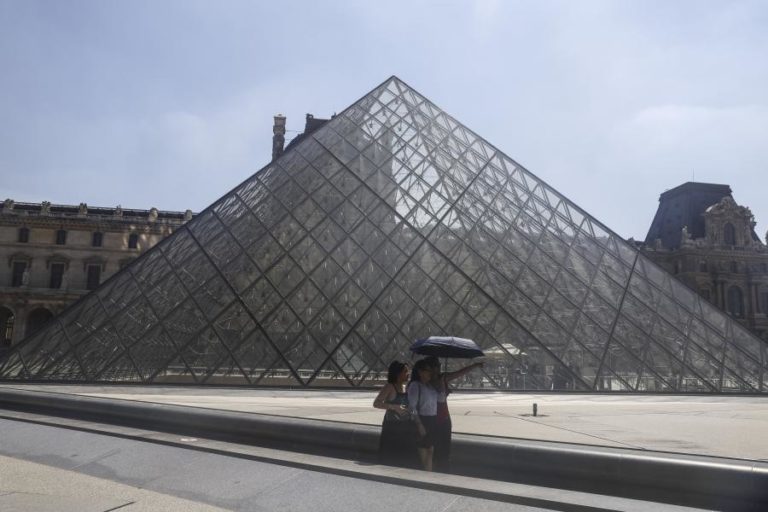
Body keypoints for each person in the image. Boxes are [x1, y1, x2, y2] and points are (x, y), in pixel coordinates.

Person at [424, 356, 483, 472]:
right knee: (435, 446)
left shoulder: (443, 377)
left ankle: (443, 468)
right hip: (433, 417)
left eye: (439, 365)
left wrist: (474, 366)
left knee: (445, 446)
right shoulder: (425, 381)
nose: (440, 367)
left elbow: (460, 373)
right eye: (437, 365)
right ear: (432, 368)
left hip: (444, 417)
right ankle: (436, 468)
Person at [373, 361, 418, 468]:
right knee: (391, 456)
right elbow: (376, 403)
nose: (408, 373)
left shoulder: (405, 387)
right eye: (405, 371)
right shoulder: (389, 387)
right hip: (392, 428)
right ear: (398, 373)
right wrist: (394, 407)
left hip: (405, 427)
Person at [407, 358, 439, 471]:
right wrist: (419, 424)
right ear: (420, 372)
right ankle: (426, 478)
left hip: (432, 420)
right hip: (422, 420)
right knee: (424, 452)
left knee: (430, 450)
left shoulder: (430, 386)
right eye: (427, 370)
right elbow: (412, 406)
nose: (430, 372)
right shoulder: (415, 386)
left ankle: (428, 476)